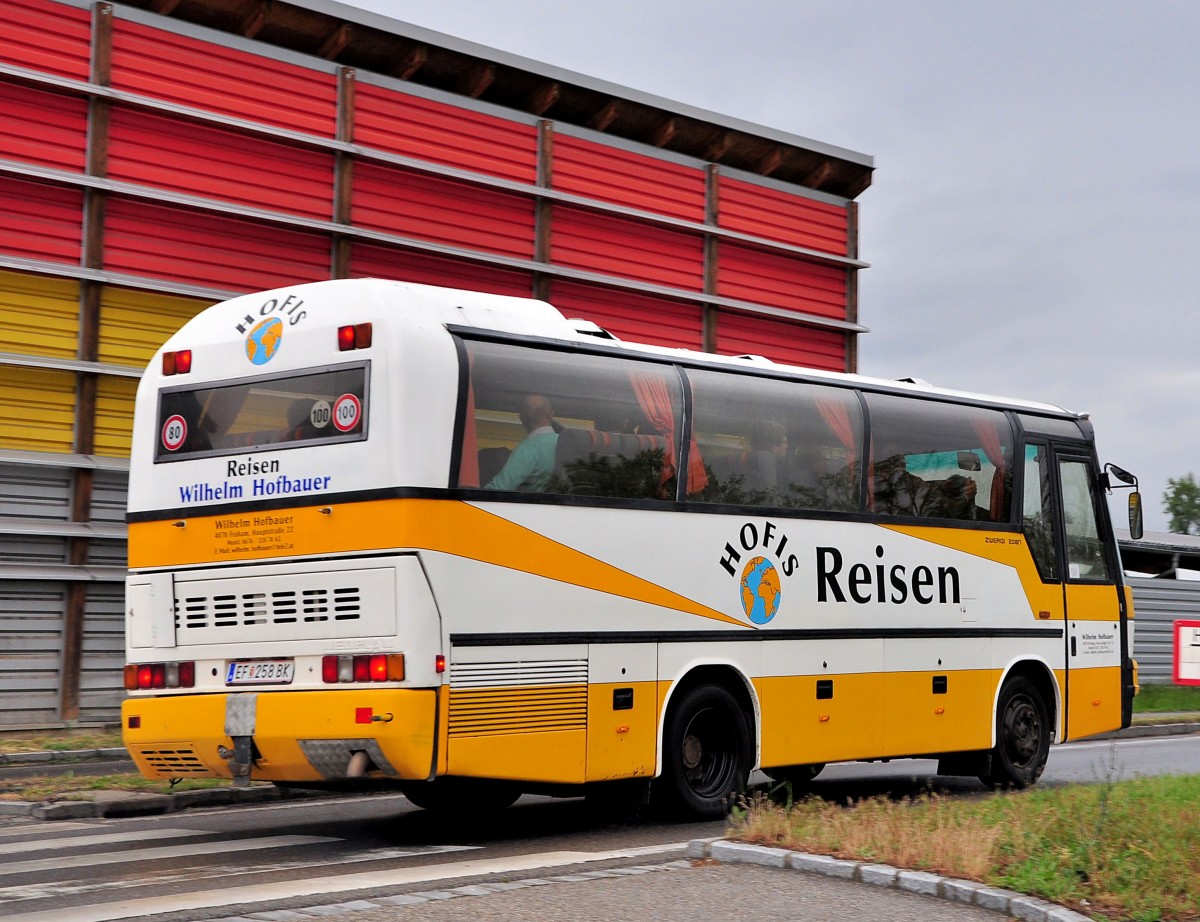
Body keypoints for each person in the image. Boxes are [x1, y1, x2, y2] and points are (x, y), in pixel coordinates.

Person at [485, 394, 559, 492]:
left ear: (521, 418)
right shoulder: (566, 444)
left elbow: (498, 489)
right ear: (551, 414)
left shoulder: (528, 449)